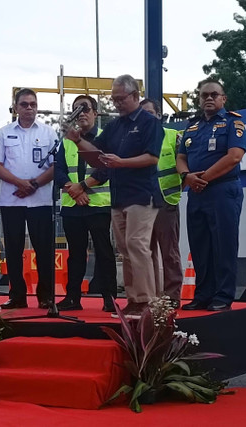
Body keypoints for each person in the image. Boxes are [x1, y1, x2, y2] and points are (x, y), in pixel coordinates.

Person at [65, 75, 163, 318]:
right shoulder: (114, 125)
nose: (117, 103)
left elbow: (152, 158)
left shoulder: (150, 123)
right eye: (114, 99)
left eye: (121, 99)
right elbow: (97, 153)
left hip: (141, 194)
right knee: (125, 249)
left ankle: (147, 301)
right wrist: (78, 141)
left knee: (137, 244)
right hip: (118, 196)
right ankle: (133, 299)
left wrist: (122, 162)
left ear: (135, 96)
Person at [177, 79, 246, 311]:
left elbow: (235, 156)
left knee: (223, 244)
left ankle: (223, 296)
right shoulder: (192, 127)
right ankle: (202, 295)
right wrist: (186, 176)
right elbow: (181, 157)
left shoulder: (233, 122)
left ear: (223, 98)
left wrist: (202, 178)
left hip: (223, 191)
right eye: (204, 95)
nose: (208, 98)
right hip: (196, 192)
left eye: (213, 95)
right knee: (200, 245)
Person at [0, 88, 57, 309]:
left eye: (33, 104)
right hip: (12, 200)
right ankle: (17, 295)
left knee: (44, 250)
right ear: (16, 107)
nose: (29, 108)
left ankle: (46, 296)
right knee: (14, 250)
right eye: (24, 104)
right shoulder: (4, 132)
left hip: (41, 200)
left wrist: (34, 184)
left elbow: (57, 166)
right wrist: (20, 183)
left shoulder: (49, 133)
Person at [54, 95, 117, 312]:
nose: (81, 113)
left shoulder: (105, 137)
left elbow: (106, 169)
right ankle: (73, 297)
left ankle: (109, 298)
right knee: (76, 254)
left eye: (85, 108)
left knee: (104, 252)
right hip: (73, 206)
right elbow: (59, 170)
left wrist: (82, 186)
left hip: (98, 204)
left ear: (95, 113)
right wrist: (74, 191)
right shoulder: (66, 141)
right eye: (76, 109)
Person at [140, 98, 183, 308]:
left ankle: (172, 297)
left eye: (149, 113)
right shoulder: (134, 142)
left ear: (158, 115)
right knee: (144, 254)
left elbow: (186, 167)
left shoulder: (173, 137)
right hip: (142, 205)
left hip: (166, 202)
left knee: (169, 252)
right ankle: (150, 296)